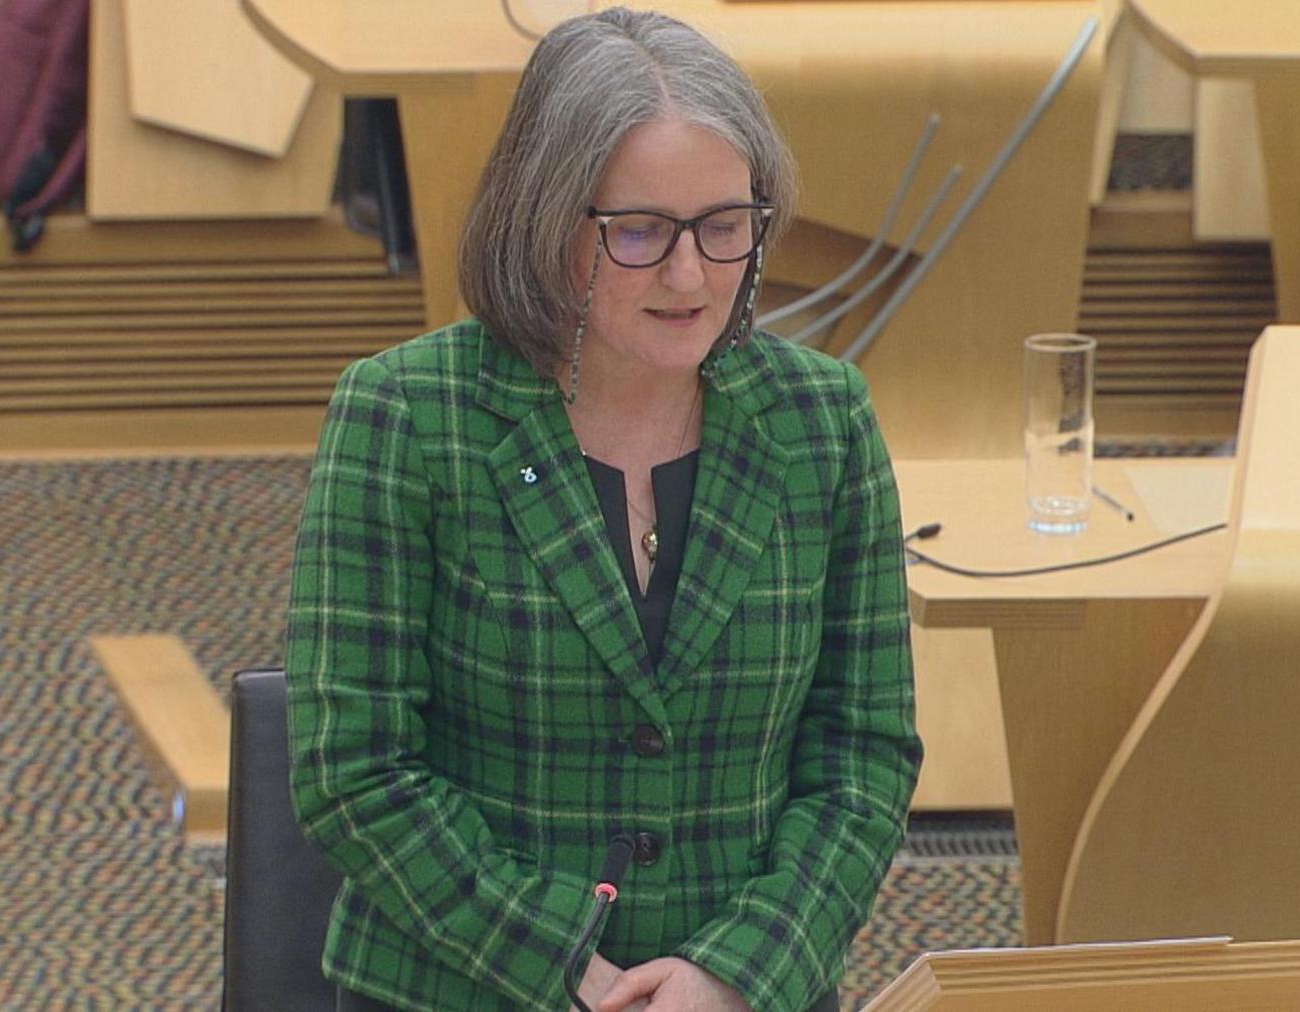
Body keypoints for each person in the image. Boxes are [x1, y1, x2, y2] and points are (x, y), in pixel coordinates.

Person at [284, 9, 923, 1011]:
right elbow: (354, 767)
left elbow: (862, 756)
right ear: (545, 218)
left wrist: (735, 971)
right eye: (638, 232)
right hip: (468, 985)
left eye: (724, 226)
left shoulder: (823, 421)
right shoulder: (407, 414)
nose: (689, 274)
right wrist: (567, 970)